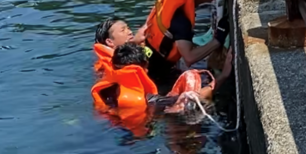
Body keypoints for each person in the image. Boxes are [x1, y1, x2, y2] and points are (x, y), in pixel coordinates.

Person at [91, 42, 233, 116]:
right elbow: (194, 96)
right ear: (144, 68)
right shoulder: (149, 99)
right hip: (147, 128)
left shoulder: (106, 89)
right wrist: (224, 74)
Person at [145, 0, 229, 84]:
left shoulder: (166, 1)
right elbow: (189, 58)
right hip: (159, 75)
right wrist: (218, 39)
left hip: (151, 60)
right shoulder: (180, 22)